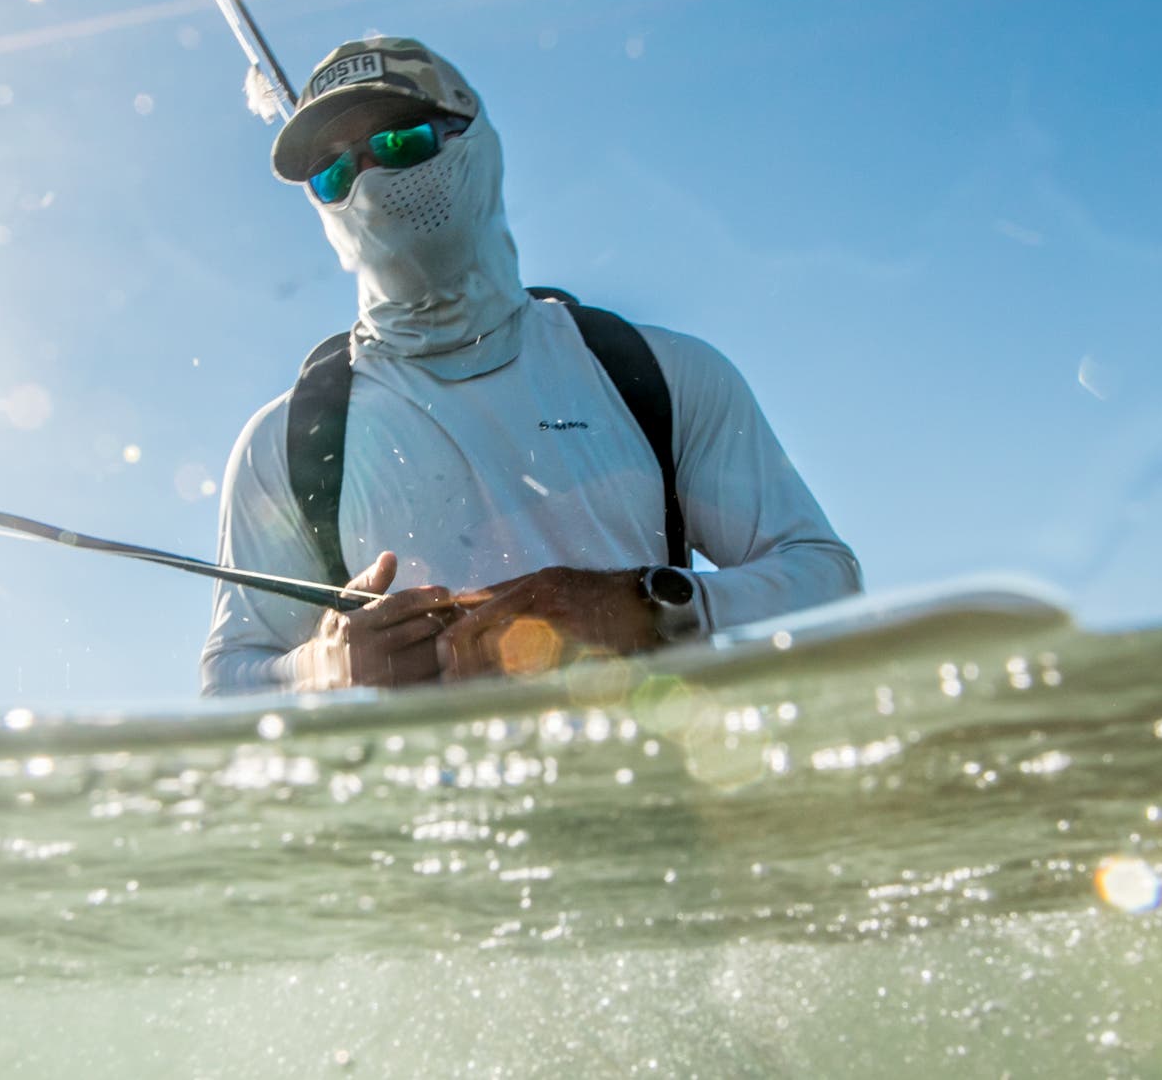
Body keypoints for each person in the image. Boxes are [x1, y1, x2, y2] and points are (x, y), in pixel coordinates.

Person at [200, 36, 860, 695]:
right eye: (335, 174)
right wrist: (328, 668)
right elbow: (230, 683)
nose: (370, 184)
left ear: (477, 147)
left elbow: (828, 580)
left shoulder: (657, 373)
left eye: (401, 144)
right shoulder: (288, 444)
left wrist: (647, 604)